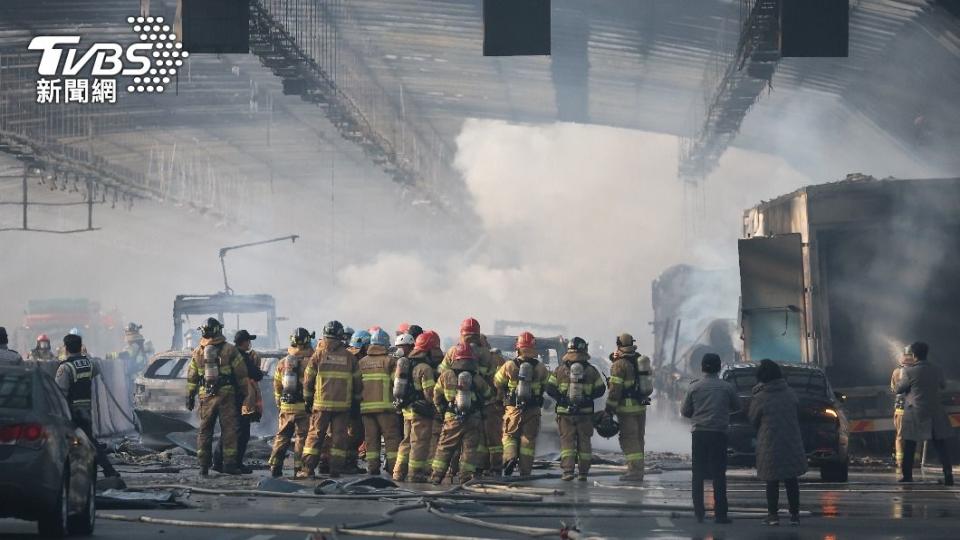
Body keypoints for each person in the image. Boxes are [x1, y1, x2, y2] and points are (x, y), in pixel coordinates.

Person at [185, 318, 250, 476]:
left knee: (205, 430)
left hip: (205, 395)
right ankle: (229, 465)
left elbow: (192, 376)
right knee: (229, 430)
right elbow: (241, 374)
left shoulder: (198, 351)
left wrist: (190, 396)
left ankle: (203, 466)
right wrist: (245, 393)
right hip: (226, 395)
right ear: (219, 330)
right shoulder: (230, 350)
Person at [681, 353, 740, 524]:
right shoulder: (727, 387)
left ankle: (699, 512)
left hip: (699, 434)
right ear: (719, 367)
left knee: (698, 474)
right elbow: (737, 407)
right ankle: (721, 514)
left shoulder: (694, 387)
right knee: (719, 474)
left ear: (702, 367)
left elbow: (685, 411)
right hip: (719, 434)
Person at [750, 359, 807, 526]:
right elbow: (799, 414)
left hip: (770, 443)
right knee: (791, 479)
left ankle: (773, 515)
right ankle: (795, 515)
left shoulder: (760, 397)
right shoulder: (790, 393)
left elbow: (753, 418)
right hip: (791, 440)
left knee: (772, 480)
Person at [301, 320, 361, 478]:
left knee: (315, 436)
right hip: (343, 406)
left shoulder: (318, 355)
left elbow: (308, 380)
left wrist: (307, 400)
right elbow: (357, 383)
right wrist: (355, 403)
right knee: (339, 438)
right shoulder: (350, 357)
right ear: (341, 336)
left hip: (321, 405)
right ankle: (335, 470)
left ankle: (307, 469)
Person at [55, 333, 120, 478]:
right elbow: (96, 370)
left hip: (71, 410)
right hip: (86, 408)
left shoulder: (65, 368)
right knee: (86, 440)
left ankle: (106, 470)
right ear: (80, 346)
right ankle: (94, 470)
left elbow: (60, 392)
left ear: (66, 348)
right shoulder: (90, 363)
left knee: (82, 441)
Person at [430, 342, 491, 485]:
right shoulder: (476, 377)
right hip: (473, 418)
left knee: (445, 447)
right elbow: (488, 394)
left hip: (452, 417)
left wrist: (441, 410)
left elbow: (436, 395)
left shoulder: (446, 375)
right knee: (469, 449)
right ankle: (465, 477)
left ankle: (436, 476)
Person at [545, 337, 605, 481]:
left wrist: (562, 398)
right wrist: (588, 398)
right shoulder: (591, 371)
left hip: (565, 414)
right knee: (584, 442)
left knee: (567, 443)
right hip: (585, 414)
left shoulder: (560, 370)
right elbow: (601, 390)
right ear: (585, 350)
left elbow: (549, 388)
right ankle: (583, 473)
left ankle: (568, 471)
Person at [894, 342, 954, 486]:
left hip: (916, 412)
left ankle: (907, 476)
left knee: (910, 444)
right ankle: (948, 476)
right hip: (935, 412)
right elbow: (943, 385)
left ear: (914, 355)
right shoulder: (937, 369)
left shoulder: (909, 371)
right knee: (940, 445)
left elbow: (899, 389)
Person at [494, 331, 549, 478]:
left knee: (509, 436)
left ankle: (510, 458)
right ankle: (525, 472)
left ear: (518, 348)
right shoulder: (541, 368)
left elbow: (497, 382)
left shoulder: (509, 365)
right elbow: (547, 386)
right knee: (528, 441)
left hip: (513, 409)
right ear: (533, 348)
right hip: (533, 409)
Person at [605, 333, 654, 482]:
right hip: (641, 406)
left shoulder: (619, 365)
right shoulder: (639, 359)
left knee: (629, 439)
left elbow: (615, 391)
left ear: (619, 344)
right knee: (639, 438)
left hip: (627, 410)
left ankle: (634, 471)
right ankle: (639, 469)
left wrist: (608, 410)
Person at [214, 329, 263, 473]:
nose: (250, 343)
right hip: (241, 399)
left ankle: (217, 462)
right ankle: (236, 463)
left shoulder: (230, 353)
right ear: (244, 342)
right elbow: (256, 374)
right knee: (242, 432)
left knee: (228, 430)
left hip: (228, 397)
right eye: (249, 340)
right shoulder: (241, 356)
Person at [393, 332, 440, 482]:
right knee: (419, 443)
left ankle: (398, 472)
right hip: (421, 411)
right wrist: (437, 406)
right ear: (428, 349)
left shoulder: (406, 362)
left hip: (407, 410)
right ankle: (415, 474)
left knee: (406, 441)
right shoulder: (424, 368)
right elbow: (429, 394)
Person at [268, 328, 314, 477]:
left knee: (282, 436)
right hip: (304, 407)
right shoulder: (312, 362)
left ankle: (275, 465)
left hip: (286, 406)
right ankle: (298, 468)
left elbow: (277, 384)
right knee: (302, 438)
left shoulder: (283, 362)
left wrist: (278, 402)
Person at [359, 328, 402, 475]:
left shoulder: (361, 362)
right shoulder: (390, 361)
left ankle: (372, 468)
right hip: (387, 409)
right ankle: (392, 469)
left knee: (371, 440)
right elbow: (396, 384)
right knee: (391, 439)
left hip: (366, 409)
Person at [890, 348, 918, 474]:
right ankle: (915, 461)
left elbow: (893, 388)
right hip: (915, 408)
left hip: (901, 408)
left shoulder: (897, 372)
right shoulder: (919, 372)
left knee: (900, 436)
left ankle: (900, 462)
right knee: (916, 435)